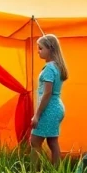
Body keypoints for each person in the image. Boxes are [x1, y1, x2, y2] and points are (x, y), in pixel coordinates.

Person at [31, 34, 68, 165]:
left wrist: (37, 115)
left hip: (49, 109)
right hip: (56, 107)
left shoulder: (49, 69)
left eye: (40, 48)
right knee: (52, 141)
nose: (38, 51)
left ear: (50, 49)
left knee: (35, 141)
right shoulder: (57, 67)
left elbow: (47, 93)